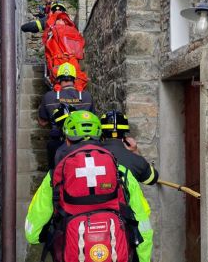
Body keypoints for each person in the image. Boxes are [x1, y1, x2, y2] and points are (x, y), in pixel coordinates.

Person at [25, 111, 153, 262]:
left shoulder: (55, 176)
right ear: (100, 137)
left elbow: (32, 233)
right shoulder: (121, 172)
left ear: (67, 140)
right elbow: (143, 226)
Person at [38, 62, 93, 169]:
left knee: (56, 174)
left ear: (58, 79)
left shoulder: (49, 97)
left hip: (58, 143)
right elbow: (92, 117)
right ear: (75, 79)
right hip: (85, 143)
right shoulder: (87, 97)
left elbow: (42, 122)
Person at [100, 110, 159, 185]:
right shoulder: (136, 160)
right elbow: (152, 178)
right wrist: (135, 151)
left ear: (101, 134)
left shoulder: (90, 156)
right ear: (124, 136)